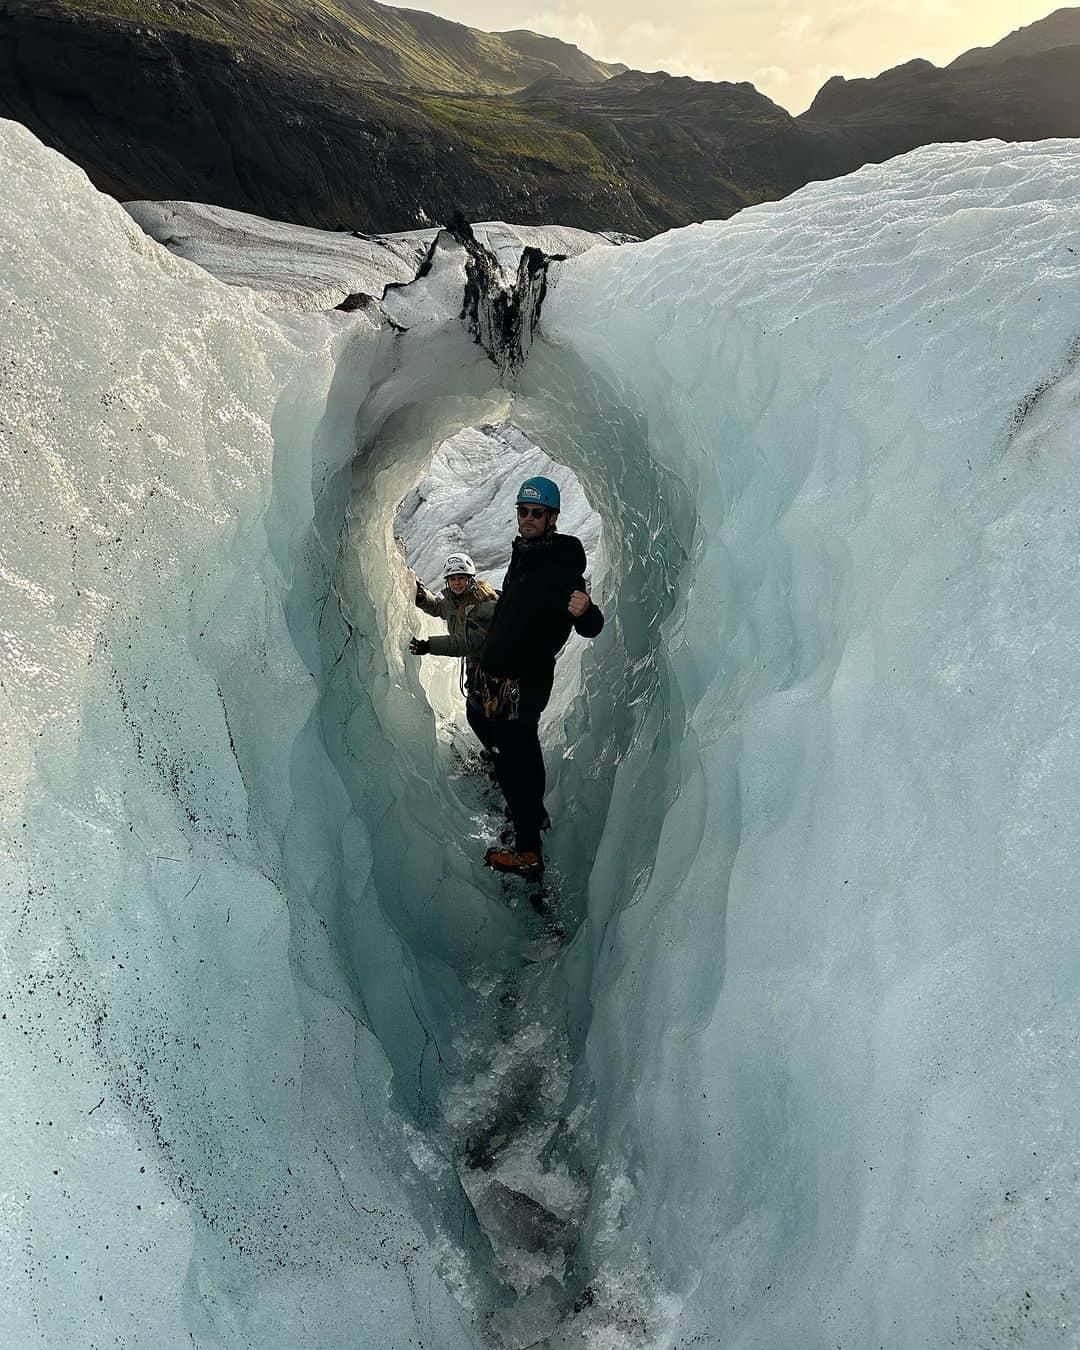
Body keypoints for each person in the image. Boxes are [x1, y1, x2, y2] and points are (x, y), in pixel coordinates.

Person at [471, 476, 604, 879]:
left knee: (518, 753)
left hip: (524, 679)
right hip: (501, 676)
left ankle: (529, 848)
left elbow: (590, 625)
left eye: (537, 513)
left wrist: (585, 611)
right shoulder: (525, 553)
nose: (528, 519)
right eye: (523, 512)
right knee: (508, 748)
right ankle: (529, 816)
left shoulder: (561, 564)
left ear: (552, 518)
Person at [409, 553, 500, 751]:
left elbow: (465, 644)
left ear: (470, 579)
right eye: (453, 579)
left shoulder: (482, 605)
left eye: (461, 578)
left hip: (492, 669)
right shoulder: (455, 601)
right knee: (480, 713)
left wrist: (428, 645)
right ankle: (496, 752)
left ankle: (499, 755)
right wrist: (423, 598)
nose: (457, 582)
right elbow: (440, 608)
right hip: (477, 667)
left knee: (481, 714)